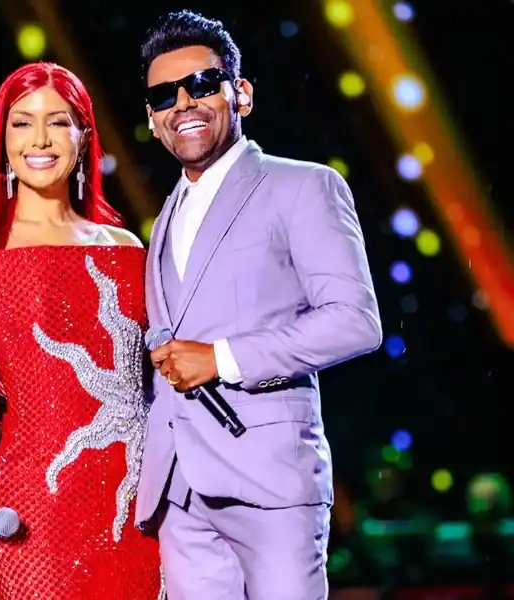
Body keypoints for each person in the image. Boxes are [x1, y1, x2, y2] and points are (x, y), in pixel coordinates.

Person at [135, 11, 383, 600]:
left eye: (201, 84)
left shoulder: (303, 186)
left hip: (270, 478)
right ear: (151, 118)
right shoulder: (164, 215)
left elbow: (355, 320)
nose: (183, 103)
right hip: (179, 489)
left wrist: (221, 357)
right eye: (165, 95)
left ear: (240, 93)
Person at [0, 62, 164, 600]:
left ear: (83, 137)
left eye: (58, 122)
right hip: (34, 509)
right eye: (22, 123)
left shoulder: (126, 249)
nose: (39, 139)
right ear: (1, 140)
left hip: (138, 502)